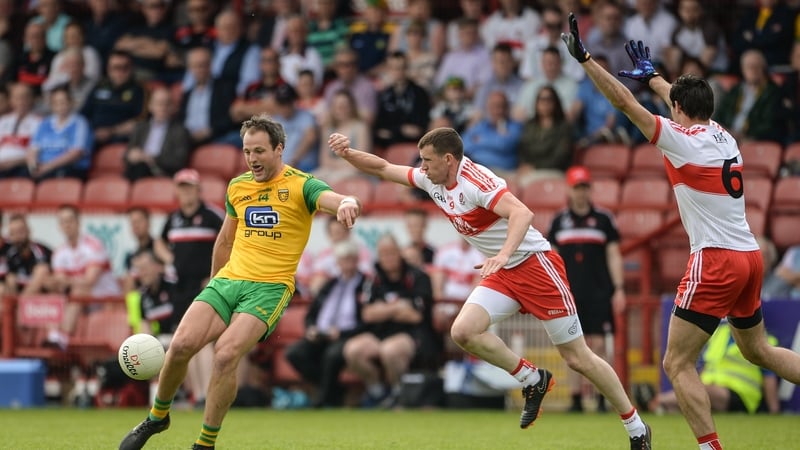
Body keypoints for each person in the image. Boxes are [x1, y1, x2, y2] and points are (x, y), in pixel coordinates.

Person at [561, 12, 800, 449]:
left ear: (677, 110)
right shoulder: (723, 136)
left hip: (715, 259)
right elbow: (682, 103)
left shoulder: (680, 139)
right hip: (749, 256)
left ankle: (710, 448)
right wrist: (655, 78)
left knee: (676, 362)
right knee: (758, 351)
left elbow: (624, 104)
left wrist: (586, 60)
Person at [328, 127, 651, 446]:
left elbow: (522, 213)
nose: (421, 167)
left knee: (578, 358)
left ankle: (636, 426)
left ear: (449, 159)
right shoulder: (431, 179)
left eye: (427, 160)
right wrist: (348, 153)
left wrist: (504, 254)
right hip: (503, 271)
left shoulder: (476, 182)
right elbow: (383, 168)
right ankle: (532, 378)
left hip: (536, 266)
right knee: (463, 332)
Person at [118, 114, 362, 450]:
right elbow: (224, 241)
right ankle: (157, 417)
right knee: (180, 345)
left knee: (225, 354)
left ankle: (205, 444)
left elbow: (335, 199)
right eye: (247, 151)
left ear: (279, 149)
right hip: (228, 280)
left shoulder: (302, 185)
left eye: (259, 151)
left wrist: (348, 202)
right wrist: (214, 284)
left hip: (270, 288)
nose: (252, 158)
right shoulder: (238, 186)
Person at [548, 166, 625, 413]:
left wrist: (619, 288)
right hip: (569, 294)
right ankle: (576, 398)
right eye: (576, 188)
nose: (580, 193)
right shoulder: (559, 221)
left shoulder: (604, 219)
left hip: (599, 292)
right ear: (569, 190)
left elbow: (613, 255)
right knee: (572, 347)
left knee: (599, 345)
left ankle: (602, 397)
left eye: (584, 187)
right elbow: (552, 259)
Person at [343, 233, 436, 408]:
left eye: (391, 253)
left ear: (399, 252)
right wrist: (397, 307)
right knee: (352, 349)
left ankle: (398, 393)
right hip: (380, 332)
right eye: (383, 254)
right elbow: (367, 314)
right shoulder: (374, 278)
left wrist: (382, 308)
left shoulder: (417, 276)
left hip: (412, 334)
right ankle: (377, 391)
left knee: (390, 350)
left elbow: (416, 316)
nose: (388, 258)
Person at [285, 240, 368, 408]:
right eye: (343, 260)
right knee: (294, 353)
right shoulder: (330, 284)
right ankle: (333, 391)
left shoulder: (365, 284)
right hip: (321, 334)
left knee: (332, 355)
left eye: (350, 259)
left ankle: (324, 398)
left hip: (348, 335)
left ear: (357, 261)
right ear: (338, 263)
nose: (347, 264)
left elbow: (367, 319)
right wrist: (311, 329)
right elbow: (311, 314)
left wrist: (342, 333)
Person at [651, 321, 780, 415]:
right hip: (712, 389)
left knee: (704, 392)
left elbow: (769, 378)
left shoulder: (764, 341)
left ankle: (658, 400)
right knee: (693, 397)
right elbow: (706, 366)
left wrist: (774, 409)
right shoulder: (719, 334)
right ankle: (662, 407)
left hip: (742, 396)